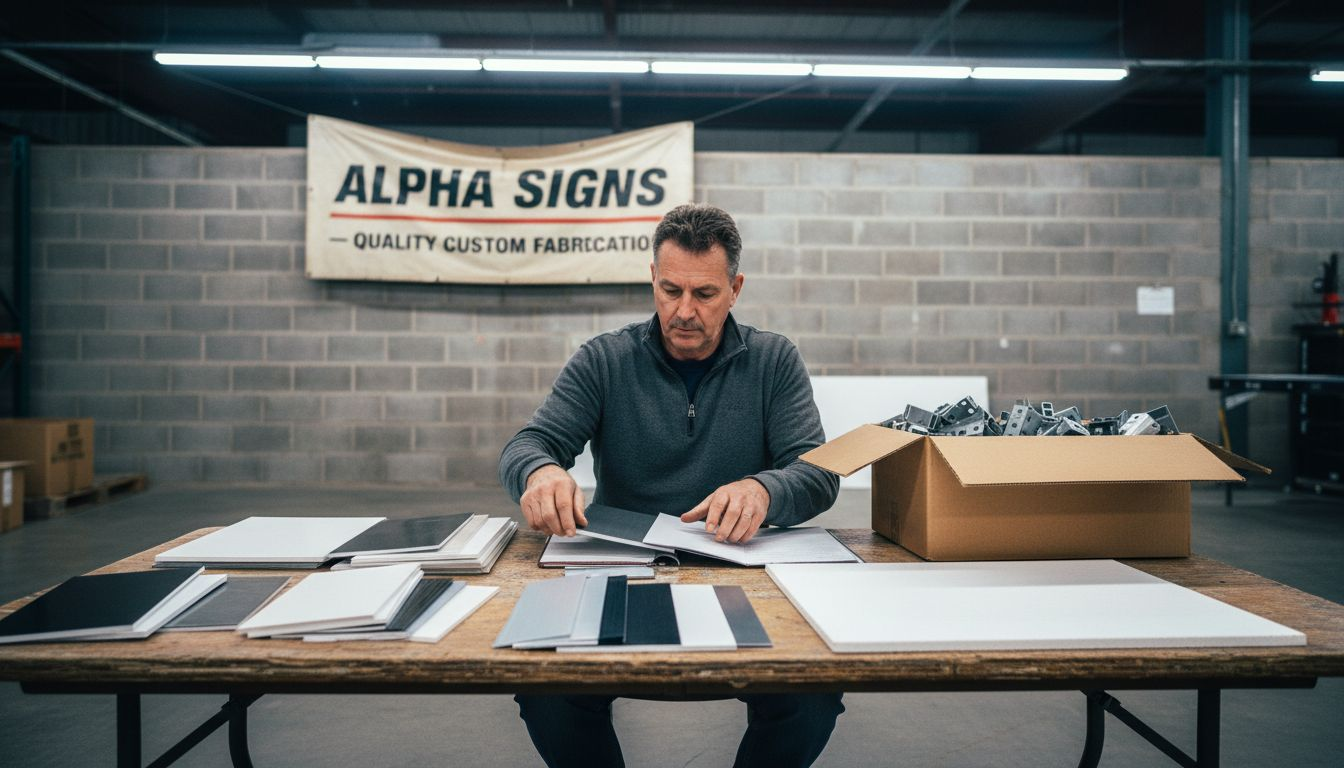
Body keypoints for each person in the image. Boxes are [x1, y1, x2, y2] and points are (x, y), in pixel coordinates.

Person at [498, 203, 843, 768]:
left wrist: (763, 489)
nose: (683, 311)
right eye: (669, 290)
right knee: (549, 690)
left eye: (704, 294)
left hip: (743, 572)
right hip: (617, 572)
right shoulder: (604, 360)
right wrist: (540, 472)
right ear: (652, 280)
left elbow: (817, 472)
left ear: (735, 289)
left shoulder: (774, 360)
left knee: (810, 694)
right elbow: (528, 444)